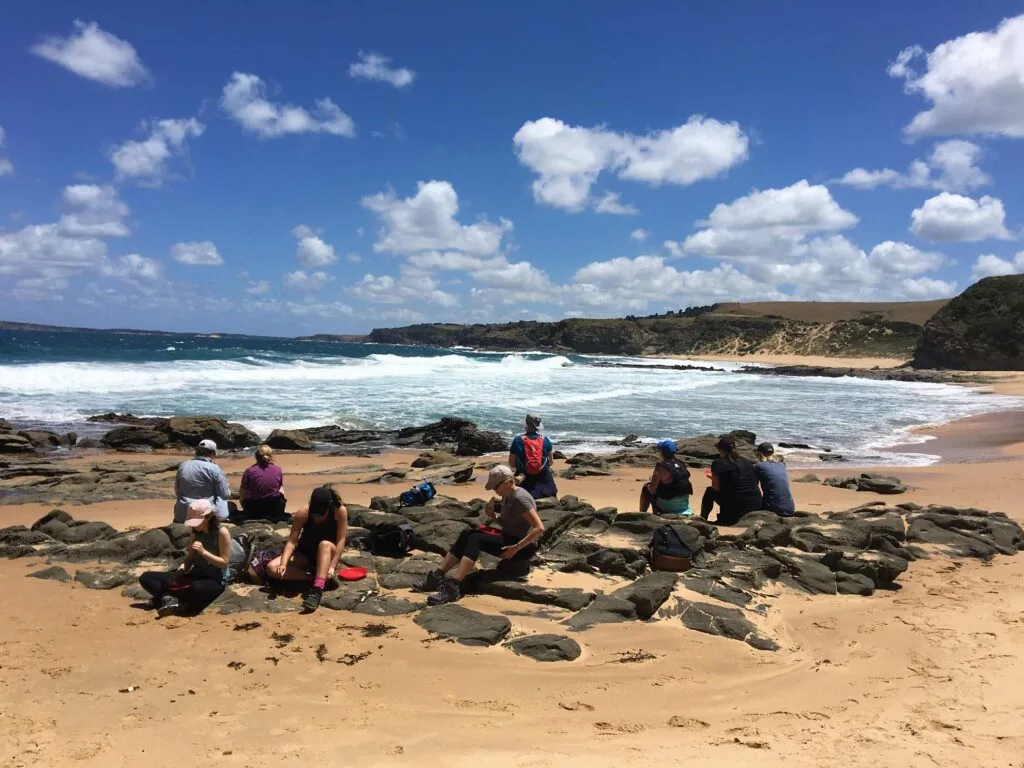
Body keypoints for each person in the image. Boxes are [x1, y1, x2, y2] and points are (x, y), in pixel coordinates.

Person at [413, 465, 545, 605]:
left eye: (495, 487)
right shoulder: (508, 494)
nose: (494, 490)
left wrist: (516, 548)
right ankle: (437, 576)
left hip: (522, 547)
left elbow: (539, 528)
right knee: (468, 533)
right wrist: (493, 517)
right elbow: (511, 524)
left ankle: (454, 585)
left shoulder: (520, 498)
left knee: (476, 539)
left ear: (506, 483)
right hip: (511, 538)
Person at [247, 485, 347, 613]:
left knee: (324, 544)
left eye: (321, 514)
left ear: (329, 506)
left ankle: (316, 590)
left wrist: (332, 566)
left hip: (328, 552)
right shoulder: (303, 512)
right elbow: (291, 541)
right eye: (315, 514)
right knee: (272, 568)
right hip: (305, 553)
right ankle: (316, 578)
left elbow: (341, 540)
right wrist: (283, 563)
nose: (317, 518)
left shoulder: (339, 511)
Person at [139, 499, 245, 617]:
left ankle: (164, 598)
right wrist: (180, 571)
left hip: (215, 579)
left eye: (197, 521)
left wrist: (203, 552)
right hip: (194, 575)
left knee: (195, 588)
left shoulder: (221, 532)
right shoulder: (195, 532)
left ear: (208, 517)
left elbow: (224, 563)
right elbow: (189, 559)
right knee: (146, 578)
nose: (194, 525)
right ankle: (169, 598)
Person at [700, 435, 763, 526]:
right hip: (754, 504)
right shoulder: (746, 462)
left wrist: (713, 477)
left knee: (710, 491)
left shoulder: (718, 463)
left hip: (736, 507)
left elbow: (716, 488)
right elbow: (752, 482)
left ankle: (703, 519)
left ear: (720, 449)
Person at [174, 439, 230, 524]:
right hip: (207, 515)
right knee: (223, 497)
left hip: (183, 515)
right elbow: (224, 494)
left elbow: (177, 491)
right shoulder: (214, 468)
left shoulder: (183, 466)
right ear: (212, 454)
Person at [508, 413, 558, 500]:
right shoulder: (545, 440)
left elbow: (511, 464)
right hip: (545, 483)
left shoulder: (517, 440)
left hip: (524, 483)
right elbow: (551, 462)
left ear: (526, 424)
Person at [639, 439, 693, 517]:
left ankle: (642, 515)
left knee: (646, 488)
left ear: (661, 452)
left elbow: (652, 489)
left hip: (668, 506)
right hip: (684, 506)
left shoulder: (661, 466)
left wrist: (649, 483)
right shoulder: (681, 464)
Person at [239, 444, 286, 521]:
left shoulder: (249, 471)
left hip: (255, 509)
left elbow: (242, 493)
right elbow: (280, 489)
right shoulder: (278, 469)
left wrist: (244, 506)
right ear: (270, 456)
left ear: (256, 456)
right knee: (280, 489)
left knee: (244, 493)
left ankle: (248, 512)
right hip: (274, 508)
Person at [754, 442, 796, 517]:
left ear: (759, 454)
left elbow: (753, 486)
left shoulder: (759, 466)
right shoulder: (782, 465)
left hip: (773, 509)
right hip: (790, 508)